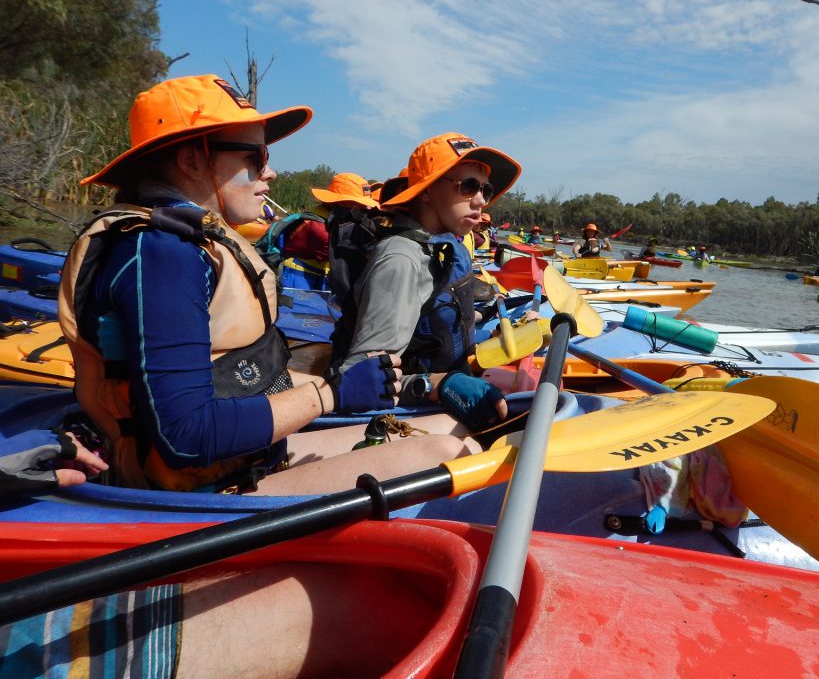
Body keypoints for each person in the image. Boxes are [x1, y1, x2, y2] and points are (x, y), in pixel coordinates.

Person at [57, 74, 472, 496]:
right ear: (192, 161)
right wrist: (330, 394)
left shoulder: (190, 244)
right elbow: (186, 436)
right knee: (450, 454)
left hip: (249, 458)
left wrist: (427, 385)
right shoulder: (161, 254)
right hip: (199, 490)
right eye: (255, 156)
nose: (270, 171)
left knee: (456, 428)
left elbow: (246, 379)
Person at [0, 430, 431, 677]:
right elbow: (184, 433)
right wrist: (332, 394)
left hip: (233, 471)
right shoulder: (166, 269)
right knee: (372, 607)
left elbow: (255, 369)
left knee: (441, 454)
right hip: (180, 477)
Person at [333, 132, 521, 438]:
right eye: (469, 186)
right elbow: (360, 378)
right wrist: (434, 385)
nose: (482, 200)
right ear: (426, 191)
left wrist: (483, 323)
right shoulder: (401, 259)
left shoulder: (439, 246)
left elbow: (432, 317)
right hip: (406, 410)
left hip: (449, 382)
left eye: (485, 189)